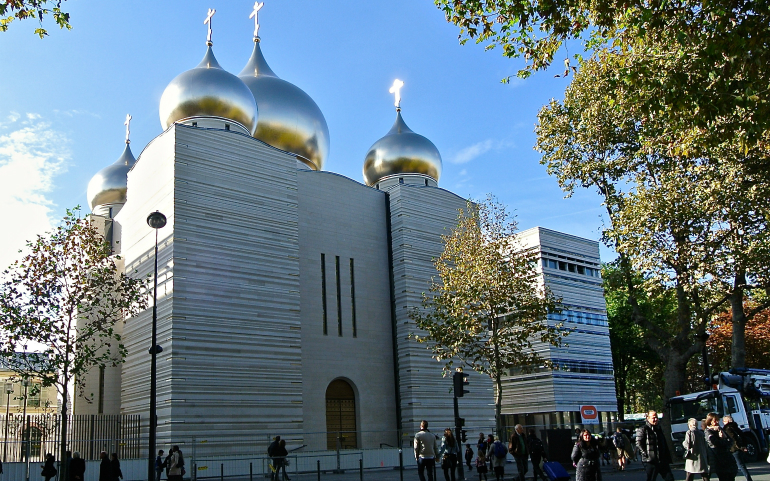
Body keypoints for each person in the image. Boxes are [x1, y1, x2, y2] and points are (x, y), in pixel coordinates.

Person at [636, 410, 674, 481]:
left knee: (670, 478)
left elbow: (663, 443)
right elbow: (639, 443)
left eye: (656, 417)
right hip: (651, 461)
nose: (656, 419)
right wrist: (647, 454)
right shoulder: (643, 429)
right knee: (651, 479)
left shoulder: (659, 428)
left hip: (662, 460)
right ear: (648, 418)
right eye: (653, 417)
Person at [705, 413, 738, 481]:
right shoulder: (708, 432)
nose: (717, 422)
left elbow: (731, 441)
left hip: (728, 459)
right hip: (718, 460)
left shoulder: (720, 429)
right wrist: (723, 439)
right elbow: (715, 443)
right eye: (715, 420)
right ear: (710, 421)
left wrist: (725, 438)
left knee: (731, 477)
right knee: (724, 477)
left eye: (718, 420)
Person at [723, 416, 753, 481]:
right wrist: (744, 446)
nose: (723, 422)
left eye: (724, 421)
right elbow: (743, 437)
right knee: (741, 465)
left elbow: (733, 439)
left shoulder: (728, 429)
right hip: (740, 448)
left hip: (734, 449)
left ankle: (748, 479)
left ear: (727, 421)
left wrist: (737, 447)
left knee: (737, 466)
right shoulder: (736, 427)